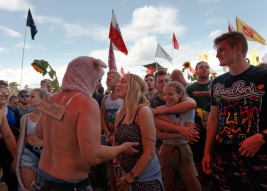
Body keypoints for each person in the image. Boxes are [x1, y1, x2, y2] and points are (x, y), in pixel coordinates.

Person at [32, 56, 138, 191]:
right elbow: (93, 156)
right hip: (68, 184)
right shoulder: (86, 103)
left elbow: (39, 132)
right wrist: (122, 148)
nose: (97, 83)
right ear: (88, 76)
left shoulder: (52, 98)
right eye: (97, 79)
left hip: (42, 178)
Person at [202, 31, 267, 190]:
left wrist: (263, 136)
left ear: (238, 47)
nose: (217, 54)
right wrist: (207, 151)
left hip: (257, 159)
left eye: (222, 49)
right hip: (222, 158)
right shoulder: (217, 82)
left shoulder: (263, 75)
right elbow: (213, 119)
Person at [114, 73, 163, 190]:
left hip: (145, 179)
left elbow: (150, 153)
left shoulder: (143, 111)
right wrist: (116, 164)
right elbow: (115, 142)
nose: (117, 85)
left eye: (123, 81)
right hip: (123, 175)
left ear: (134, 86)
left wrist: (129, 179)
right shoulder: (119, 114)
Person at [156, 81, 201, 191]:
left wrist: (170, 128)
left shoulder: (188, 109)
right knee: (168, 187)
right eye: (164, 94)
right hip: (166, 152)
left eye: (170, 94)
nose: (167, 97)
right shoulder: (159, 109)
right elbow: (160, 135)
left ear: (180, 94)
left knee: (195, 187)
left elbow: (189, 133)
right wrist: (182, 132)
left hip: (184, 152)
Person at [149, 70, 196, 154]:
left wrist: (164, 110)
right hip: (160, 146)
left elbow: (192, 104)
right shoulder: (151, 102)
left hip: (182, 145)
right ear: (155, 86)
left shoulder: (182, 97)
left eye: (166, 81)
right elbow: (157, 122)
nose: (164, 83)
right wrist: (181, 130)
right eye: (160, 81)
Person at [12, 88, 49, 190]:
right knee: (29, 188)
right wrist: (16, 160)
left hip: (47, 155)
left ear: (43, 99)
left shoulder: (52, 117)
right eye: (29, 96)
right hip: (29, 154)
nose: (28, 99)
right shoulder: (26, 118)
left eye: (32, 97)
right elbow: (20, 139)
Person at [186, 61, 212, 189]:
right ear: (196, 71)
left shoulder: (215, 85)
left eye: (206, 67)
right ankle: (199, 182)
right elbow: (185, 106)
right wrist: (190, 123)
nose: (204, 69)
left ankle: (211, 180)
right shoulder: (190, 88)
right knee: (196, 156)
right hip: (196, 129)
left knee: (212, 153)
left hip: (213, 128)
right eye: (201, 67)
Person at [101, 70, 122, 191]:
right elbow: (101, 117)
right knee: (110, 164)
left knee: (123, 162)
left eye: (109, 79)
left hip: (121, 136)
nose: (106, 81)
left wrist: (117, 135)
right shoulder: (105, 99)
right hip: (109, 136)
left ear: (117, 80)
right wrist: (109, 134)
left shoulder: (124, 97)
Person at [0, 80, 20, 191]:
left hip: (8, 148)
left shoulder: (13, 110)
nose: (4, 96)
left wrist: (15, 158)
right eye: (0, 93)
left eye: (6, 93)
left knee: (11, 178)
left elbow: (9, 136)